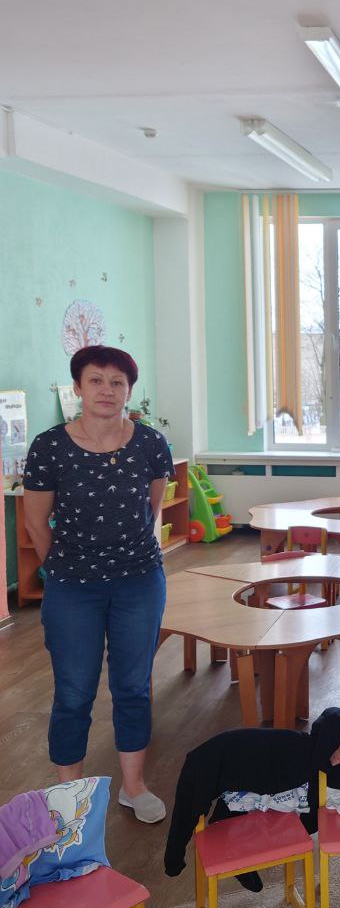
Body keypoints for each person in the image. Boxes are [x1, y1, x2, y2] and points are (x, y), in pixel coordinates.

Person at [22, 345, 173, 823]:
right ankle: (70, 797)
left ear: (129, 390)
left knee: (133, 687)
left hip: (139, 581)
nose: (107, 390)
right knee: (74, 692)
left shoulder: (150, 443)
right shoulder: (49, 447)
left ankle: (134, 786)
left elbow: (151, 509)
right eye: (96, 380)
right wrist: (63, 570)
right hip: (73, 587)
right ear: (78, 388)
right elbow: (35, 523)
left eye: (117, 382)